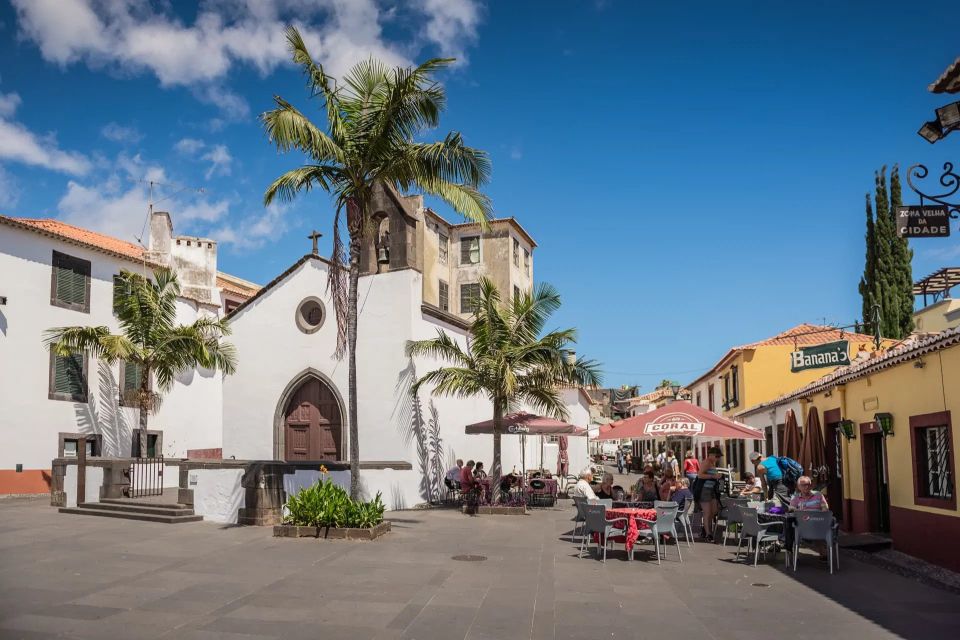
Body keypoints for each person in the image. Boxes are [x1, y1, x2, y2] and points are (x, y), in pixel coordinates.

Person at [789, 476, 830, 559]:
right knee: (789, 527)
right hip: (802, 525)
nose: (806, 487)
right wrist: (796, 510)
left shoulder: (818, 495)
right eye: (803, 485)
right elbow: (791, 509)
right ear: (799, 486)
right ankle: (792, 551)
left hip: (818, 522)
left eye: (808, 484)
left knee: (820, 525)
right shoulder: (795, 497)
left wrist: (822, 510)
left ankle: (823, 551)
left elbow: (825, 508)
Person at [694, 446, 724, 541]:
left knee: (714, 511)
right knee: (707, 512)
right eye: (717, 456)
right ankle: (708, 534)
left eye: (719, 456)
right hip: (704, 490)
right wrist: (713, 476)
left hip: (711, 490)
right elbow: (700, 475)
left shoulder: (712, 462)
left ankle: (705, 529)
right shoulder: (706, 462)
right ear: (711, 455)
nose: (718, 458)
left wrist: (716, 476)